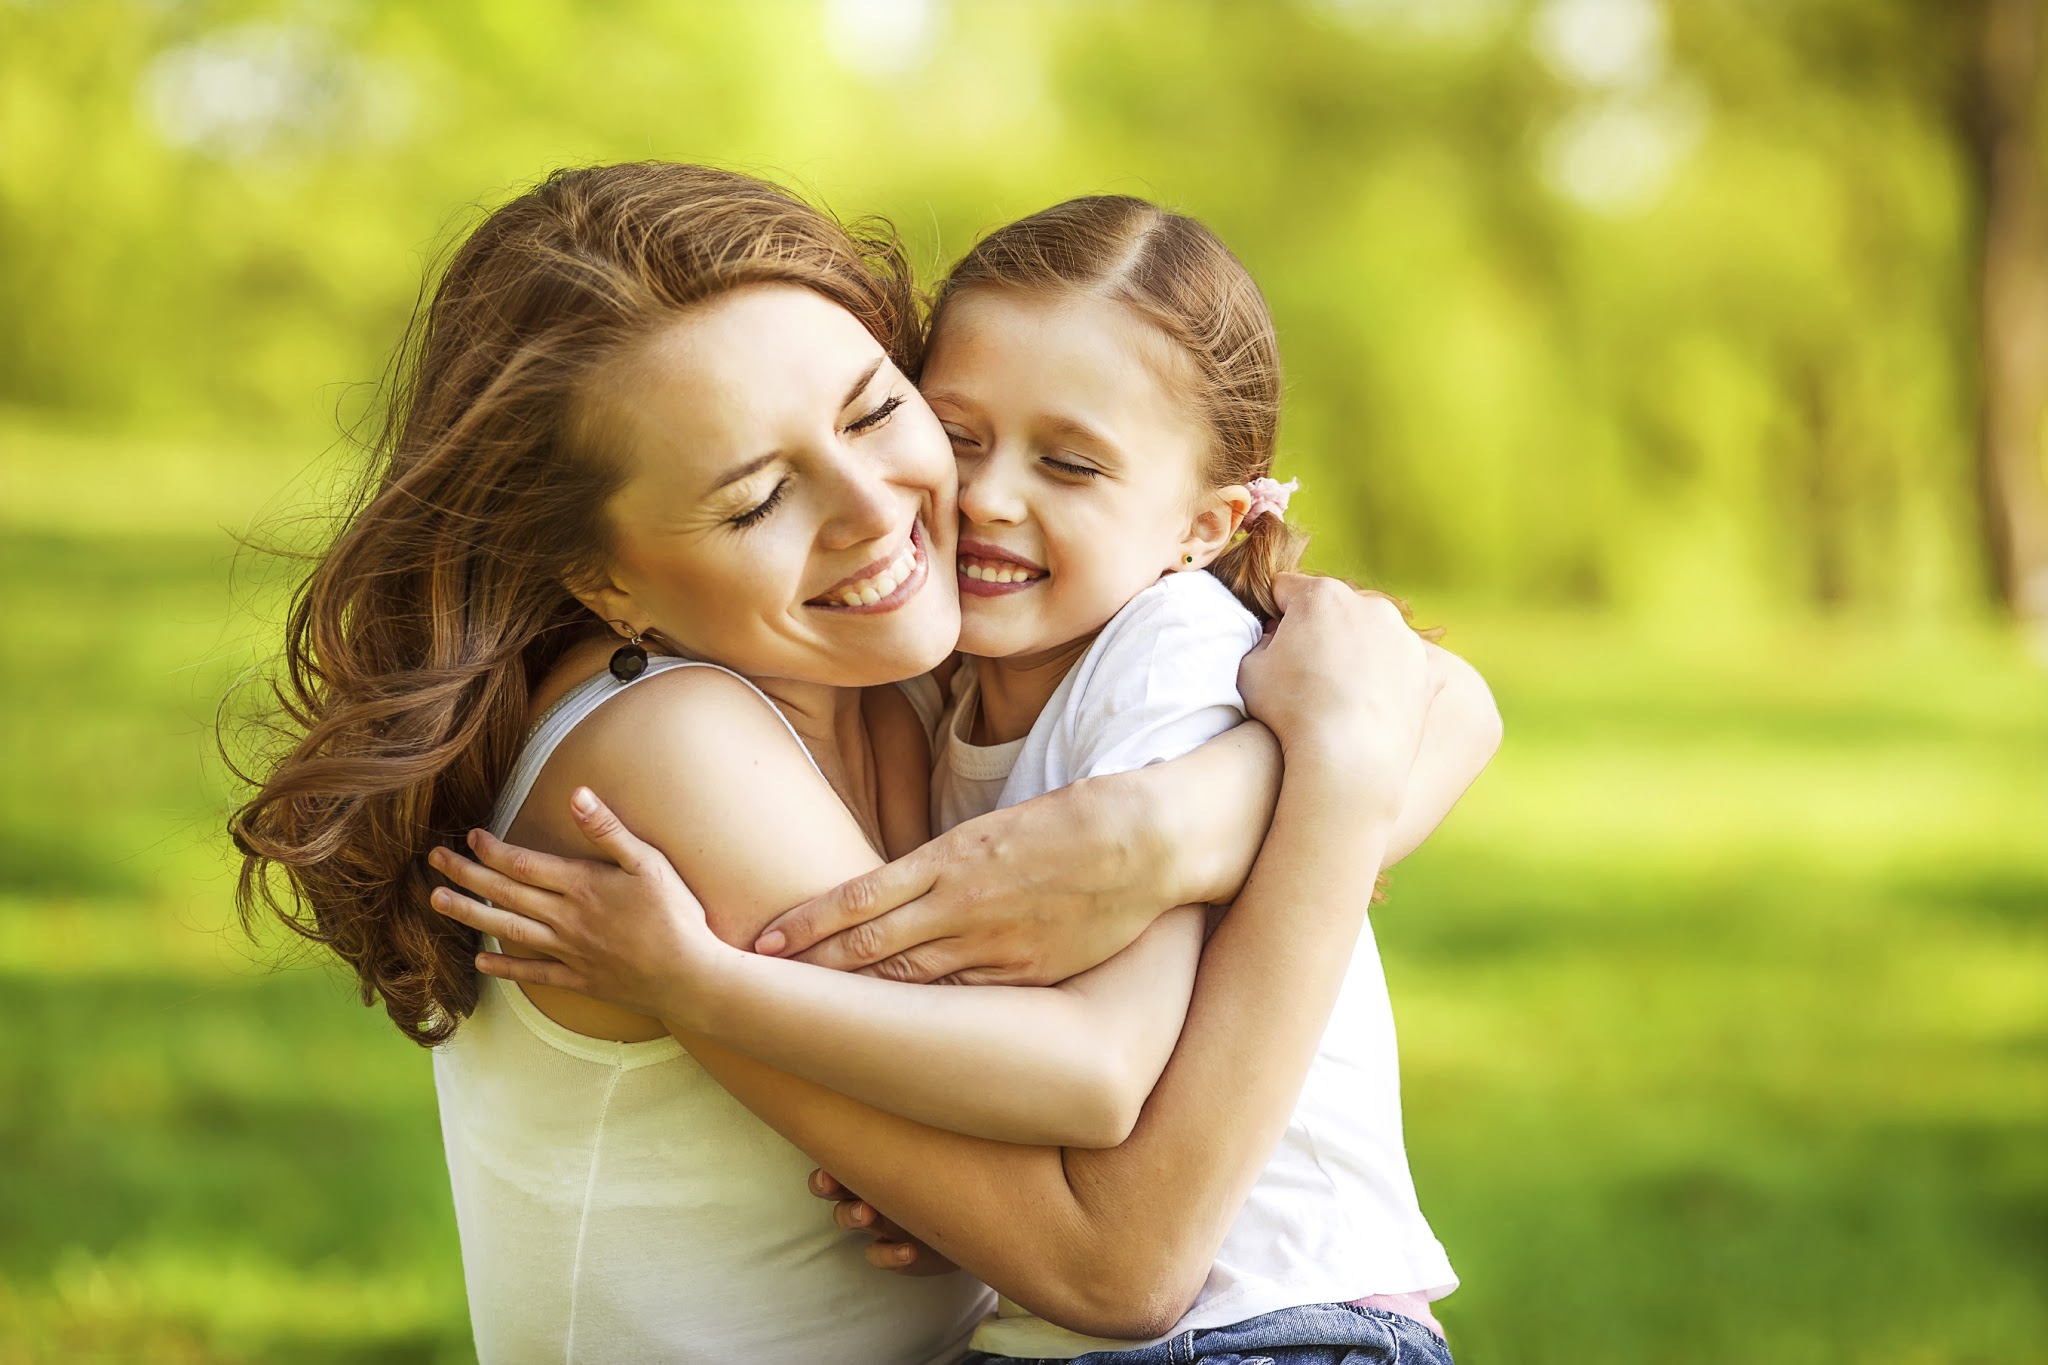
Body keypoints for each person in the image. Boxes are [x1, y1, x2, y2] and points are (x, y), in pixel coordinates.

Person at [228, 162, 1486, 1363]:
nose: (882, 511)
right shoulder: (670, 753)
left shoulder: (912, 660)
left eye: (878, 411)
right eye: (755, 498)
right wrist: (1311, 781)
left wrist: (1169, 828)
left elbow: (1435, 698)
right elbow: (1120, 1258)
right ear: (605, 581)